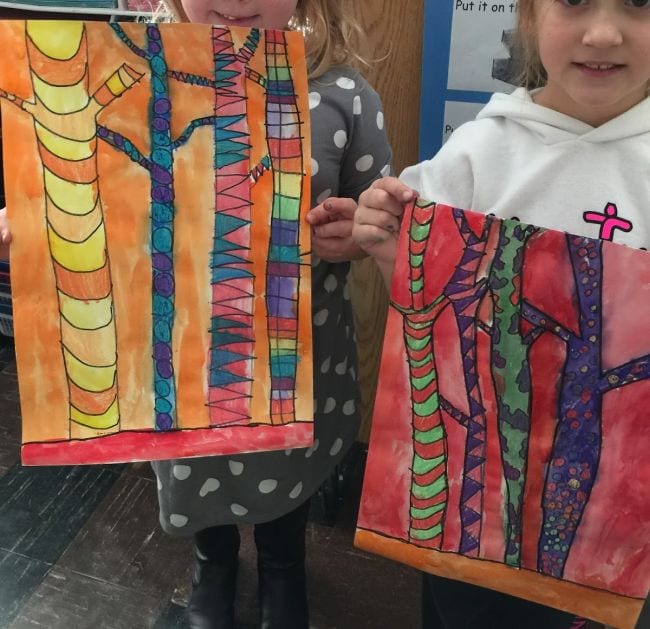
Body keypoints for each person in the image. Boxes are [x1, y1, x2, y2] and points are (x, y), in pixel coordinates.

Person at [353, 0, 649, 627]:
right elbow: (426, 308)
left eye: (639, 3)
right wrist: (388, 246)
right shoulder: (478, 152)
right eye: (573, 1)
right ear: (530, 16)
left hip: (621, 525)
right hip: (481, 509)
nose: (604, 32)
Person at [151, 2, 392, 629]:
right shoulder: (137, 74)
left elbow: (380, 214)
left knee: (285, 460)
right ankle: (214, 562)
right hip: (187, 351)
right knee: (197, 459)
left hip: (298, 348)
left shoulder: (342, 95)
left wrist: (358, 231)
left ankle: (283, 564)